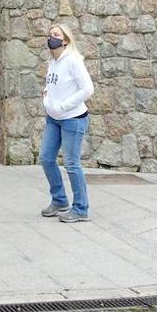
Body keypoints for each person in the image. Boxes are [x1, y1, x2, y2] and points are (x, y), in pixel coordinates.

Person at [39, 23, 94, 224]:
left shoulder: (73, 61)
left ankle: (80, 208)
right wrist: (47, 100)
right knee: (46, 158)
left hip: (73, 119)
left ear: (65, 40)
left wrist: (63, 106)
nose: (51, 37)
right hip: (53, 119)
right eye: (49, 34)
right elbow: (50, 84)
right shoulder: (53, 61)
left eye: (55, 34)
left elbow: (88, 89)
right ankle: (60, 201)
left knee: (71, 164)